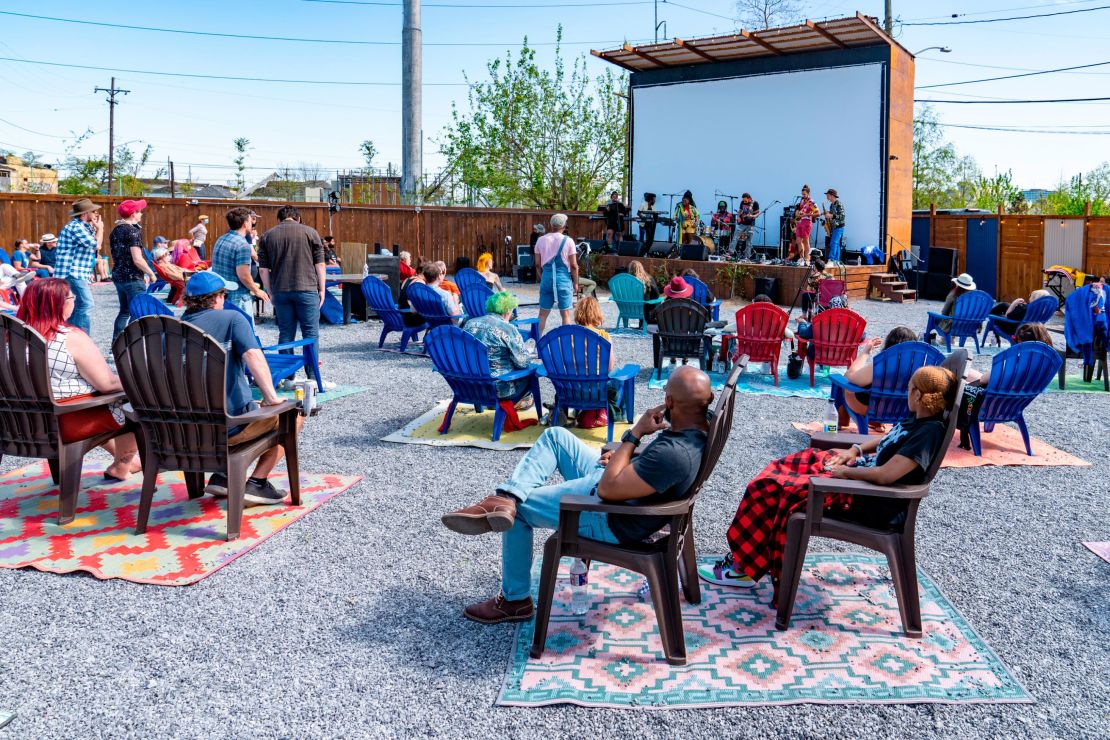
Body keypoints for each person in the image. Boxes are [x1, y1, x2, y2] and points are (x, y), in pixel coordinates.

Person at [441, 365, 714, 623]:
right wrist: (623, 458)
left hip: (608, 513)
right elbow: (650, 472)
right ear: (709, 398)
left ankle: (515, 600)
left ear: (669, 402)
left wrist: (635, 434)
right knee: (556, 437)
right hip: (624, 486)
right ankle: (506, 496)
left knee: (518, 511)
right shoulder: (700, 427)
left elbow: (609, 488)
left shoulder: (673, 455)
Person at [703, 365, 957, 598]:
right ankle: (752, 556)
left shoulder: (928, 432)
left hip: (863, 498)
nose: (905, 391)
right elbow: (887, 440)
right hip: (858, 477)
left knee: (772, 488)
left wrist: (846, 473)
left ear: (918, 395)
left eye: (909, 387)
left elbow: (886, 475)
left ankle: (745, 569)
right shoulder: (919, 418)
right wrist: (855, 451)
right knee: (787, 465)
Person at [179, 272, 305, 504]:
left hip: (180, 432)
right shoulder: (231, 320)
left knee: (242, 407)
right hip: (228, 427)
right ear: (216, 298)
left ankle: (223, 476)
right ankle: (257, 483)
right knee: (293, 416)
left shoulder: (168, 329)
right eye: (223, 295)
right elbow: (252, 356)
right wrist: (271, 397)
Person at [16, 278, 140, 481]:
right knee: (130, 401)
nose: (74, 301)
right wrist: (138, 382)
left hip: (20, 423)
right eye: (72, 297)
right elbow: (108, 384)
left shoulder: (10, 339)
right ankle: (122, 466)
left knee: (91, 396)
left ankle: (126, 462)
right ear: (60, 303)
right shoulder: (69, 337)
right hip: (64, 422)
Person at [258, 205, 333, 390]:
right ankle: (313, 376)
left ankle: (287, 377)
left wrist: (270, 291)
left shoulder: (268, 235)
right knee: (310, 333)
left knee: (285, 333)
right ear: (298, 218)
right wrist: (321, 289)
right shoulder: (310, 232)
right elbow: (320, 264)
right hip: (306, 288)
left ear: (280, 219)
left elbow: (262, 269)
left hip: (281, 290)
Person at [956, 322, 1053, 450]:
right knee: (966, 371)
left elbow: (985, 379)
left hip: (986, 404)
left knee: (956, 376)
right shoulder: (1044, 365)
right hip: (1010, 404)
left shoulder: (1015, 363)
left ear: (1021, 342)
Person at [462, 290, 535, 415]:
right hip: (498, 388)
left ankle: (486, 406)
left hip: (470, 385)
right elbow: (522, 363)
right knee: (532, 373)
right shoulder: (508, 328)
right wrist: (528, 354)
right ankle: (520, 403)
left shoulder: (469, 324)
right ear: (507, 312)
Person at [837, 326, 918, 431]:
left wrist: (865, 352)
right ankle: (877, 424)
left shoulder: (882, 364)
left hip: (872, 409)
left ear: (889, 345)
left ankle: (842, 423)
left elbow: (850, 376)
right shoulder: (918, 366)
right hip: (902, 410)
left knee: (842, 385)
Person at [108, 199, 159, 339]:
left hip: (119, 276)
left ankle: (116, 346)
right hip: (132, 278)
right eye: (139, 211)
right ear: (133, 214)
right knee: (138, 313)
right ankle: (130, 345)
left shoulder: (115, 231)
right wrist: (151, 273)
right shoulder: (133, 231)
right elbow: (137, 259)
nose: (141, 214)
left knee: (124, 312)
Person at [53, 198, 104, 335]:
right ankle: (80, 336)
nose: (96, 214)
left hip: (75, 272)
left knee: (76, 304)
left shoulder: (82, 226)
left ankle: (69, 331)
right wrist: (101, 229)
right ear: (84, 214)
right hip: (72, 271)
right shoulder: (76, 227)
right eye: (94, 211)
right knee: (86, 303)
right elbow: (96, 245)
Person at [212, 206, 267, 313]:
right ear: (245, 223)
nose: (252, 224)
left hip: (221, 294)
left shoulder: (221, 239)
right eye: (251, 221)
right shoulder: (242, 245)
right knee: (242, 328)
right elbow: (243, 275)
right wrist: (257, 291)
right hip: (237, 297)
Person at [534, 213, 580, 335]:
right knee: (565, 314)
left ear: (551, 225)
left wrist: (542, 276)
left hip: (547, 277)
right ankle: (566, 344)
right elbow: (574, 266)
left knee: (542, 314)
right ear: (564, 225)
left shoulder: (540, 240)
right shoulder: (569, 241)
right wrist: (576, 283)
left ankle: (538, 344)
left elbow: (537, 265)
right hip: (563, 279)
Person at [931, 273, 976, 340]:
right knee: (956, 317)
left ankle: (944, 340)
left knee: (933, 318)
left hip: (952, 326)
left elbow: (944, 312)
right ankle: (951, 340)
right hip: (968, 326)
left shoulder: (953, 295)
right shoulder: (974, 298)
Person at [790, 185, 820, 265]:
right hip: (800, 222)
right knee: (798, 241)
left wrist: (806, 214)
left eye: (804, 194)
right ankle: (801, 258)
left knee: (806, 241)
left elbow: (818, 213)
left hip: (807, 222)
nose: (803, 196)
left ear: (808, 194)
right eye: (802, 194)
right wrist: (798, 215)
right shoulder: (802, 202)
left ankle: (807, 259)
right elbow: (799, 212)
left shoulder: (811, 202)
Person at [822, 188, 845, 264]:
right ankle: (836, 261)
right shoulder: (832, 205)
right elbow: (831, 213)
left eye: (828, 195)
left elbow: (842, 216)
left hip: (839, 227)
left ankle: (831, 260)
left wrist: (831, 215)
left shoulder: (839, 204)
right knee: (837, 244)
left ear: (832, 196)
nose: (827, 197)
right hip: (834, 227)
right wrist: (824, 213)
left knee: (833, 243)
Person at [736, 193, 760, 258]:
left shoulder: (754, 203)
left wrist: (752, 215)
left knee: (749, 241)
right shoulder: (742, 202)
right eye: (743, 200)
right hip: (742, 223)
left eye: (745, 200)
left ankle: (747, 257)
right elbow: (740, 210)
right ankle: (730, 252)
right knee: (736, 237)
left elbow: (757, 214)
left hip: (750, 224)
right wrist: (738, 217)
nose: (744, 201)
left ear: (749, 198)